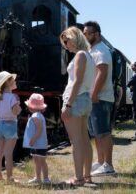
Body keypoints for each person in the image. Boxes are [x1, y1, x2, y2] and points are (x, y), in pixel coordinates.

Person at [60, 26, 95, 185]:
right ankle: (87, 176)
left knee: (76, 142)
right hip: (85, 99)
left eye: (67, 40)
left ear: (76, 38)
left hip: (76, 100)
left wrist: (68, 105)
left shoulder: (80, 55)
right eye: (64, 42)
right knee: (84, 140)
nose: (66, 45)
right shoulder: (88, 56)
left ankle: (78, 178)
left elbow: (77, 81)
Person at [83, 21, 116, 176]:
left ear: (97, 34)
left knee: (103, 132)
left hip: (100, 97)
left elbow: (102, 72)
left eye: (88, 33)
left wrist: (94, 93)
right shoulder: (93, 50)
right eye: (84, 33)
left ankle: (108, 165)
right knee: (96, 132)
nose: (85, 35)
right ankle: (101, 161)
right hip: (95, 97)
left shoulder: (101, 51)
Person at [0, 71, 22, 182]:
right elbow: (15, 112)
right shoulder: (13, 97)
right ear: (8, 83)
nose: (15, 81)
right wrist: (18, 105)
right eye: (13, 80)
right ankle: (9, 178)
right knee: (8, 154)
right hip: (11, 125)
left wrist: (1, 109)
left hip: (1, 125)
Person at [23, 93, 50, 184]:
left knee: (41, 162)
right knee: (38, 161)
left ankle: (46, 178)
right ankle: (38, 178)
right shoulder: (37, 115)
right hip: (37, 144)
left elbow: (39, 129)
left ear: (32, 107)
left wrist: (33, 139)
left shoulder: (35, 116)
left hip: (38, 143)